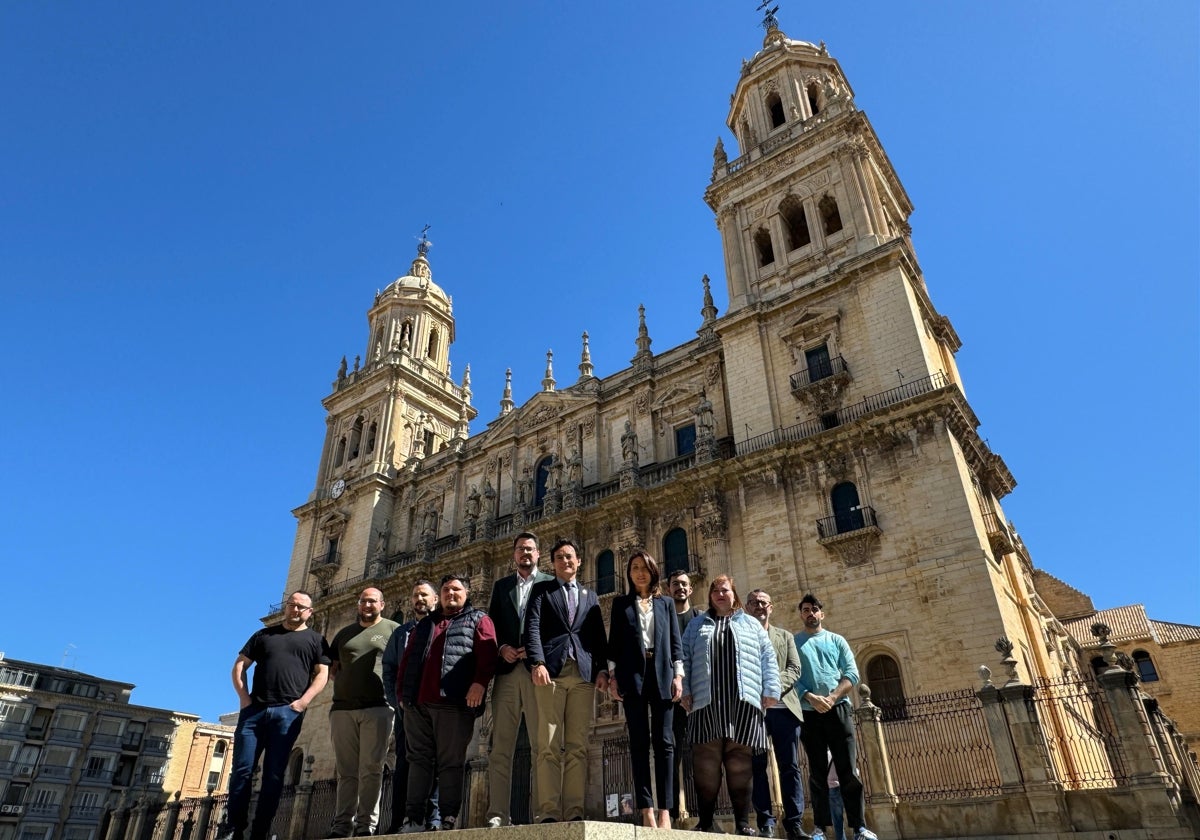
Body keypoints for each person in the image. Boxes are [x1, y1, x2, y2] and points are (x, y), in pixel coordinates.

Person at [222, 592, 330, 840]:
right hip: (254, 712)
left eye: (301, 607)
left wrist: (303, 703)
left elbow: (322, 674)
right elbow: (240, 665)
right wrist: (244, 699)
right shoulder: (263, 635)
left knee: (274, 773)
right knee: (242, 770)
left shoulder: (316, 640)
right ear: (286, 607)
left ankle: (260, 830)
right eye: (292, 605)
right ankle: (233, 828)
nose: (296, 610)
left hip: (288, 714)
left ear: (310, 612)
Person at [397, 574, 498, 832]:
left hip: (453, 701)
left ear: (467, 592)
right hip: (417, 704)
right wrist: (402, 695)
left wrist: (479, 684)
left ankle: (448, 817)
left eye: (456, 589)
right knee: (418, 760)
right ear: (439, 595)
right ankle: (413, 818)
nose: (450, 594)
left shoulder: (479, 619)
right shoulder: (425, 624)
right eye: (445, 590)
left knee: (450, 762)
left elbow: (487, 656)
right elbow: (407, 660)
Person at [681, 575, 780, 836]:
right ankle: (704, 820)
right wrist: (685, 690)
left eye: (724, 590)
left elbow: (767, 656)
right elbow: (685, 658)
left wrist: (771, 690)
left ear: (734, 594)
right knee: (706, 763)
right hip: (706, 701)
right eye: (715, 591)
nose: (719, 594)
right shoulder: (696, 625)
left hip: (743, 701)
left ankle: (742, 822)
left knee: (740, 765)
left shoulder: (750, 624)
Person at [523, 538, 610, 822]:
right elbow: (532, 628)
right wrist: (537, 662)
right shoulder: (541, 591)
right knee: (548, 745)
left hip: (583, 675)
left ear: (579, 560)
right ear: (553, 563)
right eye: (560, 557)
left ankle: (574, 812)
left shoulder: (590, 596)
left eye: (570, 556)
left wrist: (601, 670)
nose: (566, 561)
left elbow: (598, 637)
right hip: (551, 673)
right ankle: (547, 812)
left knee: (577, 746)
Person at [606, 550, 683, 828]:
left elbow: (676, 645)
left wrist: (678, 676)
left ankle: (666, 810)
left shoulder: (665, 605)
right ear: (629, 573)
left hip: (662, 674)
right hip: (632, 677)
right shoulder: (620, 604)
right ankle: (646, 808)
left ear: (653, 572)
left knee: (665, 743)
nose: (640, 572)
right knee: (638, 743)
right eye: (635, 567)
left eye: (645, 568)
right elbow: (613, 645)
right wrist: (613, 677)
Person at [794, 594, 876, 840]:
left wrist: (831, 698)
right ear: (801, 614)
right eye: (806, 609)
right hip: (809, 713)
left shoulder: (836, 640)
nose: (811, 613)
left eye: (815, 609)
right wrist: (809, 697)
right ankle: (820, 828)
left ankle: (859, 827)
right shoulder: (795, 642)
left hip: (838, 709)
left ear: (822, 614)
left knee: (848, 770)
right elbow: (790, 675)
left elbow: (851, 673)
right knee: (817, 773)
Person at [485, 533, 552, 828]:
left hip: (538, 671)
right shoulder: (501, 587)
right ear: (513, 555)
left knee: (543, 745)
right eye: (520, 549)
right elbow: (491, 626)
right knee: (500, 747)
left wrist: (539, 651)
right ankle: (497, 814)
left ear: (538, 553)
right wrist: (502, 649)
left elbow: (558, 623)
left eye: (529, 549)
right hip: (508, 673)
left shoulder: (550, 584)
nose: (525, 553)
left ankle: (544, 812)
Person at [328, 587, 400, 837]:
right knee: (346, 770)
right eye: (363, 601)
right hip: (343, 709)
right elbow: (332, 668)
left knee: (372, 768)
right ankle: (341, 825)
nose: (367, 605)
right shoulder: (344, 634)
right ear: (358, 605)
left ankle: (365, 826)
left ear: (382, 604)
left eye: (372, 601)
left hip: (379, 707)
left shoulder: (393, 630)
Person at [746, 589, 808, 840]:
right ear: (748, 608)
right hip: (755, 712)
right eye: (754, 603)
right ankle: (766, 823)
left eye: (763, 603)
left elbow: (794, 669)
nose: (759, 606)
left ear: (771, 607)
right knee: (758, 766)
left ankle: (794, 823)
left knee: (790, 767)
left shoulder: (785, 636)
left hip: (784, 709)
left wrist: (771, 688)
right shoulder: (743, 638)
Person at [381, 581, 440, 833]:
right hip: (408, 709)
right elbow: (389, 670)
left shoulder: (442, 628)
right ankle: (399, 820)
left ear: (435, 600)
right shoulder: (401, 633)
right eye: (416, 595)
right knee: (404, 762)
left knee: (437, 760)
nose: (420, 599)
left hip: (436, 706)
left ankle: (433, 819)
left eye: (424, 595)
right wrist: (397, 702)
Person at [668, 570, 702, 823]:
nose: (680, 588)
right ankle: (671, 811)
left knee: (703, 752)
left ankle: (705, 811)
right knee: (672, 752)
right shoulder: (663, 619)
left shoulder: (700, 618)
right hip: (670, 697)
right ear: (668, 589)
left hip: (699, 695)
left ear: (690, 589)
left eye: (684, 584)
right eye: (675, 585)